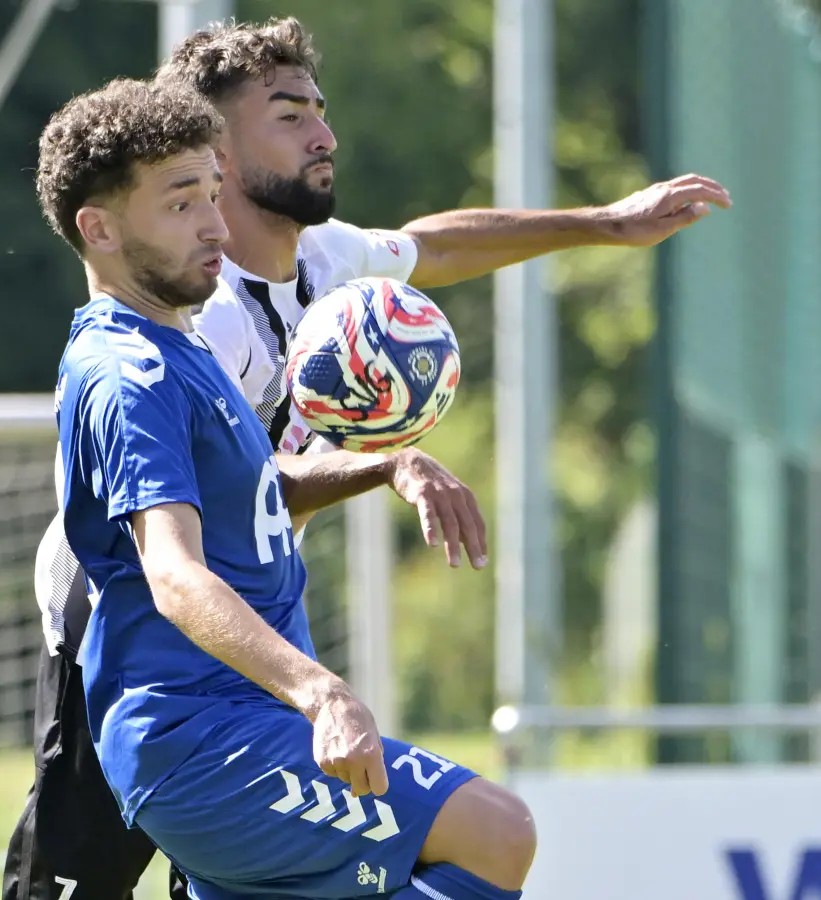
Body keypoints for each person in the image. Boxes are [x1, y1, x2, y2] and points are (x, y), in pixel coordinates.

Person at [4, 18, 732, 900]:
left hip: (243, 658)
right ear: (221, 150)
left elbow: (439, 244)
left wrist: (605, 224)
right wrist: (376, 488)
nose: (324, 134)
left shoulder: (312, 266)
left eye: (321, 109)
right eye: (290, 115)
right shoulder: (186, 328)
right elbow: (176, 550)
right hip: (130, 648)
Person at [37, 76, 536, 900]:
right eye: (179, 203)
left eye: (212, 192)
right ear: (100, 229)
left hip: (242, 722)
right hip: (202, 740)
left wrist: (379, 463)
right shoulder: (127, 371)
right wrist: (322, 691)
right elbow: (173, 572)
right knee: (496, 835)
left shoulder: (179, 345)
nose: (214, 222)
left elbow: (253, 489)